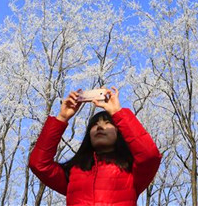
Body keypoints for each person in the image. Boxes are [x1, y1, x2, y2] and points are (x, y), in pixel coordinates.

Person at [29, 87, 161, 206]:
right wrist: (62, 118)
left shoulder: (131, 170)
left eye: (108, 123)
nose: (100, 126)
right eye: (94, 124)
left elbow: (149, 155)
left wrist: (117, 112)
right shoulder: (73, 172)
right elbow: (39, 164)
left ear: (118, 132)